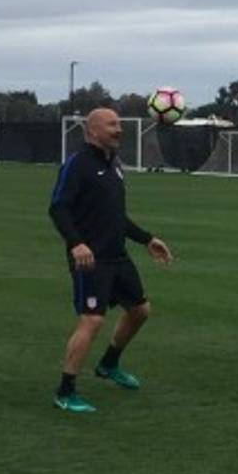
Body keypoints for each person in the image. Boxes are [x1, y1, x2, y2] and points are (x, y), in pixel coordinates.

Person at [48, 108, 173, 412]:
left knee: (140, 310)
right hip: (90, 259)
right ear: (92, 131)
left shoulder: (115, 165)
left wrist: (147, 239)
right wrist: (76, 244)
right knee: (92, 319)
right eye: (112, 125)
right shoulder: (77, 165)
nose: (119, 129)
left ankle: (108, 364)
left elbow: (116, 216)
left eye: (119, 124)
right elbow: (58, 207)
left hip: (117, 256)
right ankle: (65, 392)